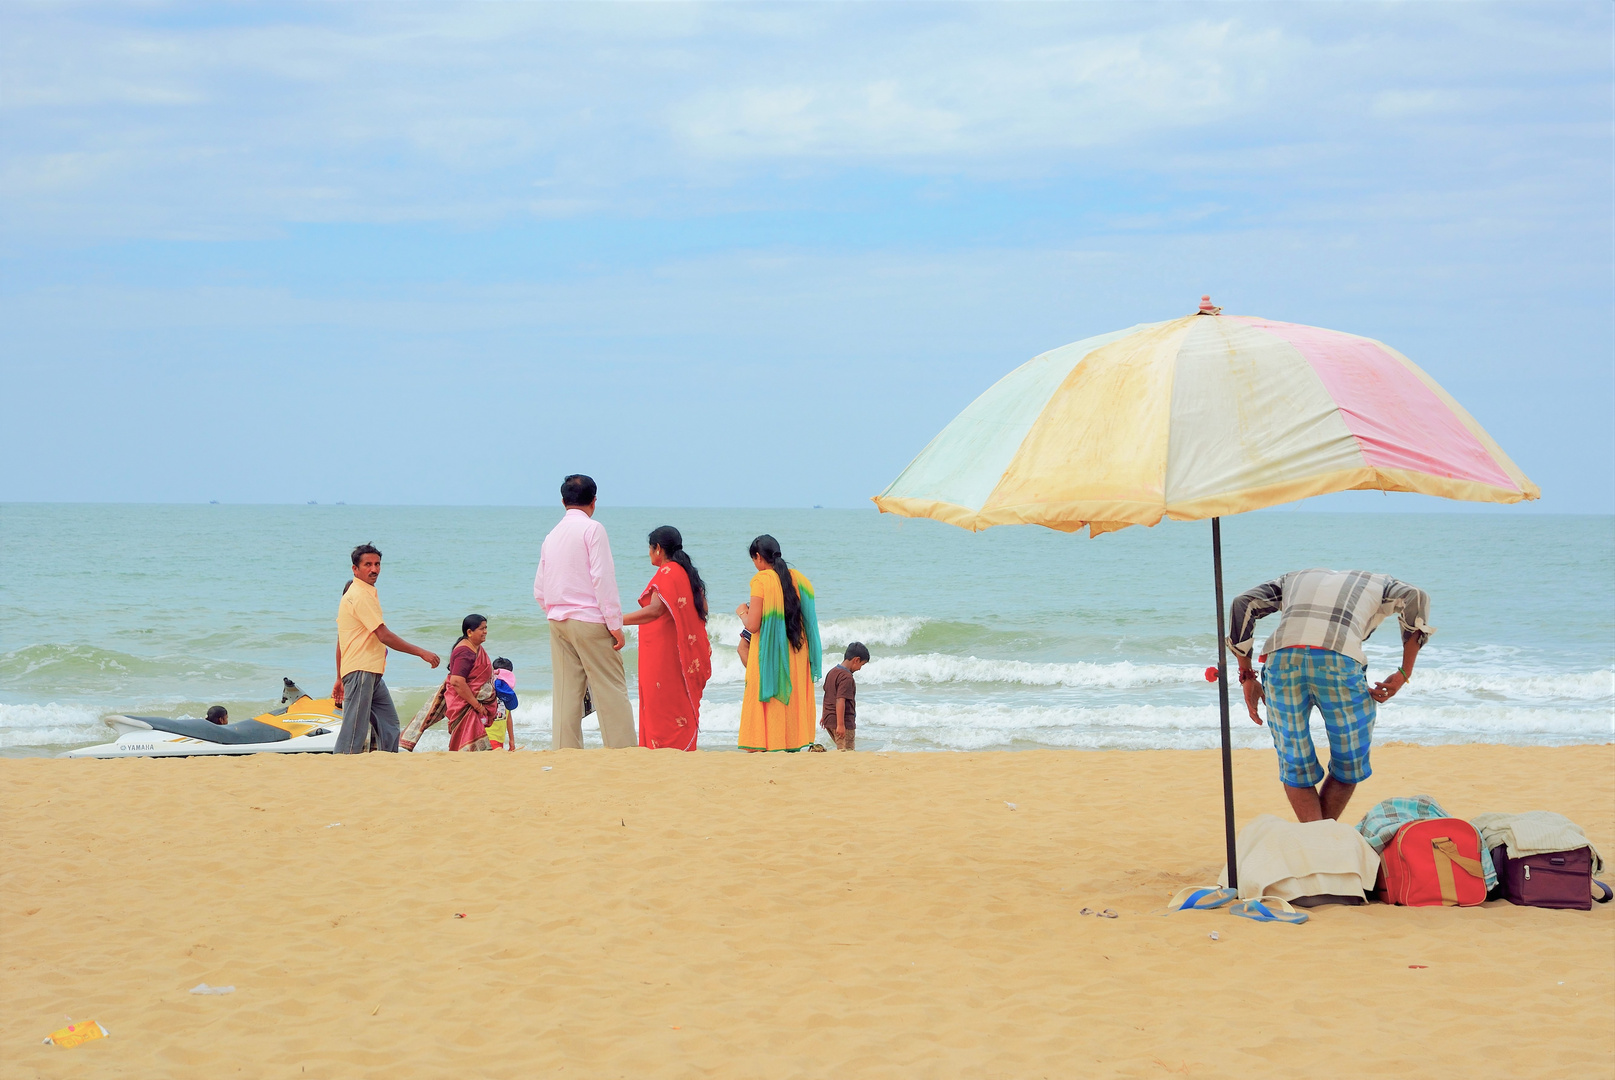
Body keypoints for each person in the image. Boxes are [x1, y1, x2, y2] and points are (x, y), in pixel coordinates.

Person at [1230, 568, 1433, 823]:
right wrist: (1404, 672)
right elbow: (1416, 595)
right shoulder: (1381, 584)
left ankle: (1316, 840)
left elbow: (1243, 603)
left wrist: (1247, 675)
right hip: (1338, 661)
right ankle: (1321, 841)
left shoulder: (1292, 579)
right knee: (1348, 764)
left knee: (1295, 763)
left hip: (1282, 660)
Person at [533, 475, 635, 749]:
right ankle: (622, 750)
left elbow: (539, 588)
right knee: (610, 688)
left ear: (563, 501)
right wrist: (614, 624)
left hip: (558, 620)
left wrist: (554, 611)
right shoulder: (593, 529)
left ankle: (566, 751)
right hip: (589, 619)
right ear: (594, 501)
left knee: (566, 691)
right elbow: (603, 578)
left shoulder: (551, 535)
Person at [332, 543, 440, 754]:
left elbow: (341, 640)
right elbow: (383, 635)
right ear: (355, 569)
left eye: (377, 564)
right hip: (361, 671)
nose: (374, 569)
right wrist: (422, 652)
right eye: (368, 565)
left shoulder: (367, 593)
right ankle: (342, 768)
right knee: (354, 730)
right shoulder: (359, 595)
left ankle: (387, 762)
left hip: (371, 671)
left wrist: (339, 677)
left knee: (389, 723)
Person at [621, 525, 713, 751]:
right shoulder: (688, 573)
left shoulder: (668, 572)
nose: (650, 553)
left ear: (658, 549)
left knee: (660, 702)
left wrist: (616, 619)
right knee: (677, 701)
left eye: (650, 548)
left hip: (664, 655)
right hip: (679, 653)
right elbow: (702, 610)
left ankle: (664, 750)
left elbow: (655, 610)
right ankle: (684, 747)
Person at [736, 534, 822, 752]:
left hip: (771, 652)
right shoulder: (800, 580)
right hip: (797, 650)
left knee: (769, 696)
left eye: (753, 559)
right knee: (790, 698)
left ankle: (764, 745)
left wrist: (743, 613)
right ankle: (789, 744)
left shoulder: (761, 580)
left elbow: (754, 625)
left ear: (758, 557)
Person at [443, 614, 500, 752]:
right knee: (465, 739)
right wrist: (477, 706)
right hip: (465, 703)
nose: (485, 631)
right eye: (482, 628)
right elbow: (457, 681)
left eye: (486, 628)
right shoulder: (464, 651)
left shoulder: (475, 647)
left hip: (471, 702)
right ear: (469, 632)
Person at [821, 642, 869, 751]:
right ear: (856, 660)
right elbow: (840, 700)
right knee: (847, 751)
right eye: (861, 665)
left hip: (829, 719)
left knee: (841, 749)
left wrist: (824, 715)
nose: (860, 669)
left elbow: (828, 695)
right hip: (843, 722)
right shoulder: (847, 677)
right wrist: (841, 725)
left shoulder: (832, 672)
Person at [488, 659, 518, 750]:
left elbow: (508, 717)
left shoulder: (507, 694)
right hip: (487, 735)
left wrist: (511, 740)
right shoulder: (488, 690)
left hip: (499, 738)